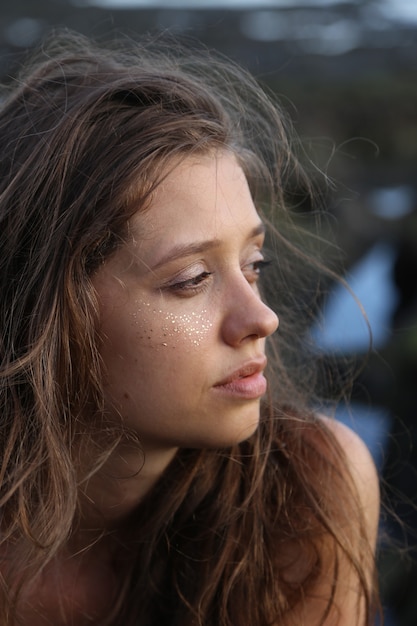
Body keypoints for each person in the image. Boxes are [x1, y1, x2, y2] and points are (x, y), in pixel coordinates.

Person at [0, 30, 380, 625]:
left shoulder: (304, 490)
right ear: (46, 309)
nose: (262, 317)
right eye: (192, 279)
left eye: (255, 265)